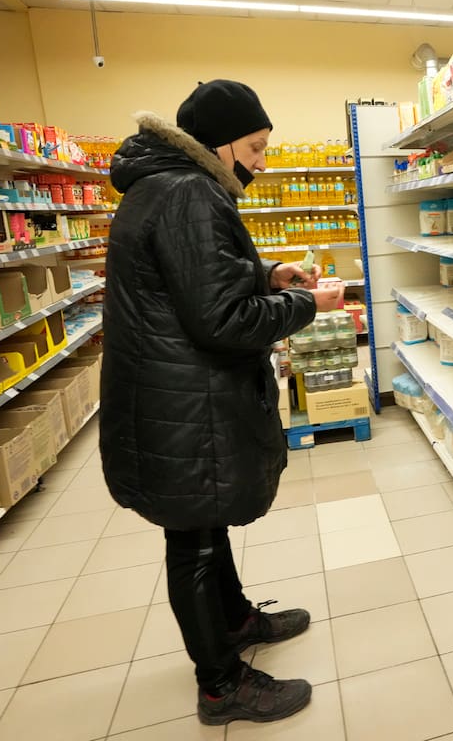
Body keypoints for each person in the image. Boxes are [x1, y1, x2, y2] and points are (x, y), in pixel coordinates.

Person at [99, 79, 344, 726]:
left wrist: (267, 275)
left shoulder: (165, 184)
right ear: (219, 143)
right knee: (195, 542)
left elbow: (189, 281)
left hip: (172, 394)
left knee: (202, 525)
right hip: (183, 401)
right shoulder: (189, 193)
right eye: (255, 147)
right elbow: (222, 319)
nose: (261, 161)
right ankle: (220, 686)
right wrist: (305, 304)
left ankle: (233, 622)